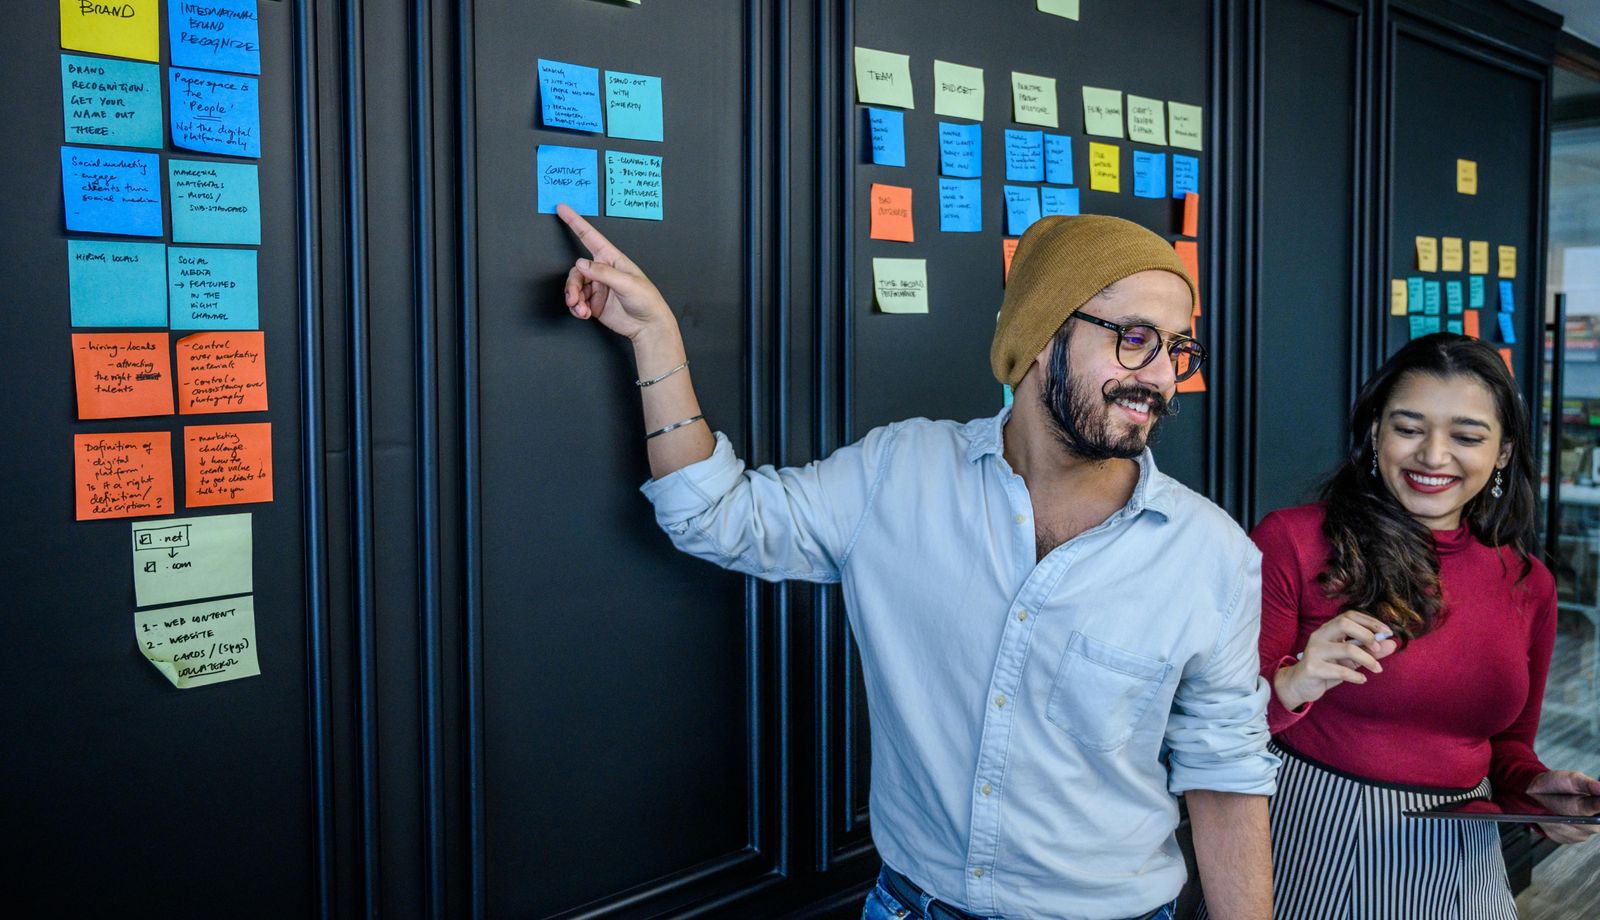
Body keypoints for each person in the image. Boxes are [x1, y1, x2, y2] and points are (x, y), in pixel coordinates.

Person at [558, 206, 1278, 920]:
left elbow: (1225, 778)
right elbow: (716, 516)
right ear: (1038, 333)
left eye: (1177, 348)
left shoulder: (1210, 555)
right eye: (1134, 338)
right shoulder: (899, 473)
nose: (1162, 377)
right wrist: (655, 339)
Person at [1234, 333, 1600, 920]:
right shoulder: (1292, 541)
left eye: (1466, 436)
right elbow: (1217, 727)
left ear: (1503, 451)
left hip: (1465, 855)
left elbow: (1506, 746)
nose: (1433, 456)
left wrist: (1536, 789)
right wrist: (1292, 683)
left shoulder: (1529, 582)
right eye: (1409, 428)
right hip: (1308, 835)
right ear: (1375, 431)